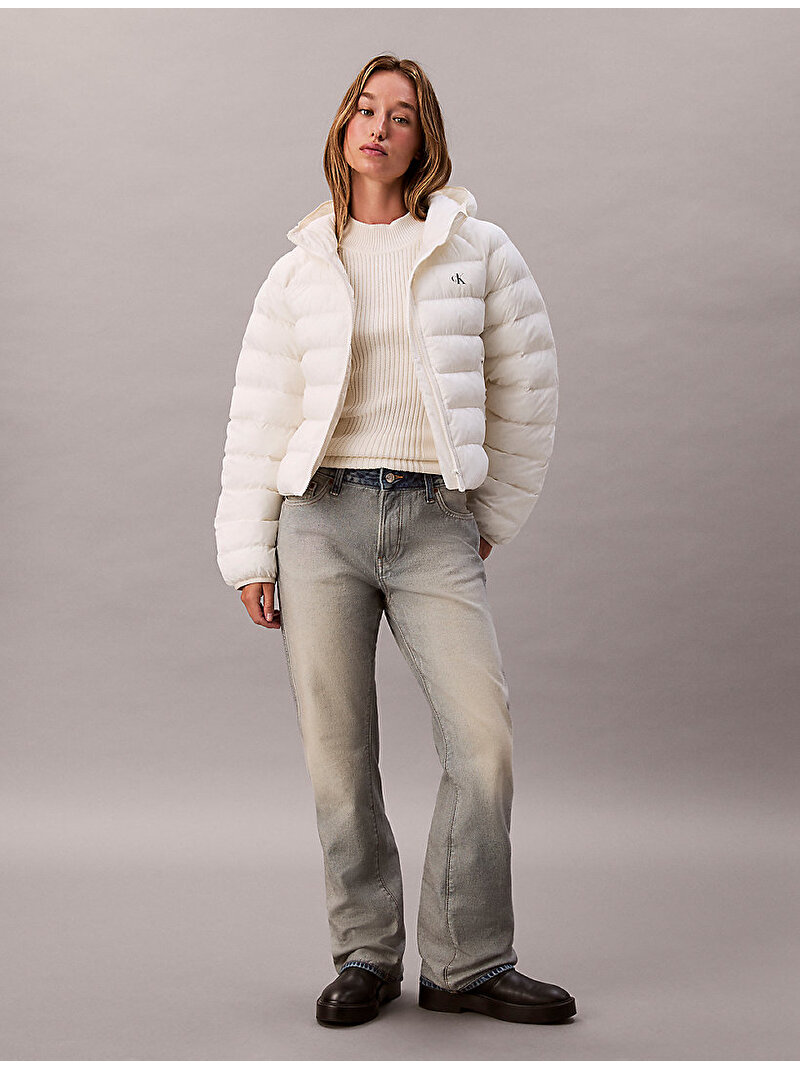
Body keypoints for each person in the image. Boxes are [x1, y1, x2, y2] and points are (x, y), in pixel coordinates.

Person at [214, 54, 576, 1028]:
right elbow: (259, 415)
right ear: (343, 127)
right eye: (365, 109)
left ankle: (465, 962)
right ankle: (366, 955)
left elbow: (530, 387)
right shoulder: (300, 267)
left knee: (483, 745)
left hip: (432, 522)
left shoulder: (475, 249)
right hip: (318, 524)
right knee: (338, 760)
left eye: (402, 115)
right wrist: (249, 551)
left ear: (425, 139)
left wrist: (489, 515)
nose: (379, 127)